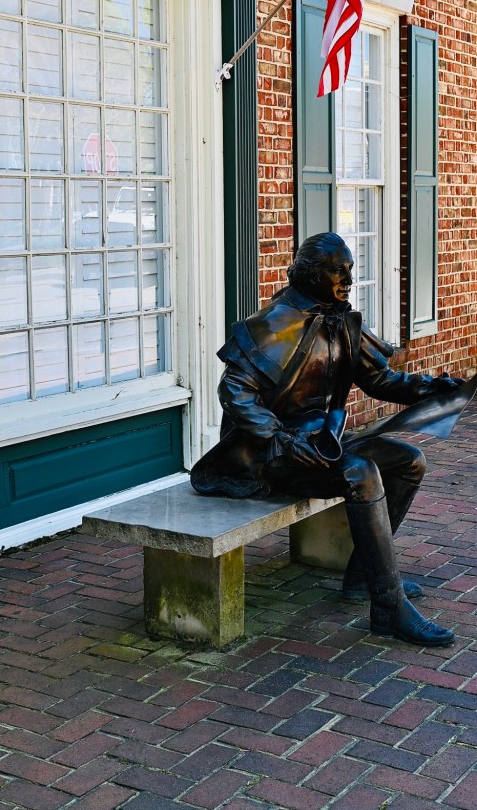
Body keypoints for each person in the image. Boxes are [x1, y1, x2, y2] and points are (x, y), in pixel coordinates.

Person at [191, 232, 464, 647]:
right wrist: (279, 438)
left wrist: (432, 388)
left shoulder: (342, 321)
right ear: (309, 273)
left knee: (409, 460)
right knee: (360, 472)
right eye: (338, 271)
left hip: (323, 442)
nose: (348, 280)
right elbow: (234, 391)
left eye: (350, 270)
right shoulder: (271, 324)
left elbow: (380, 380)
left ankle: (363, 576)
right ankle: (388, 606)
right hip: (269, 454)